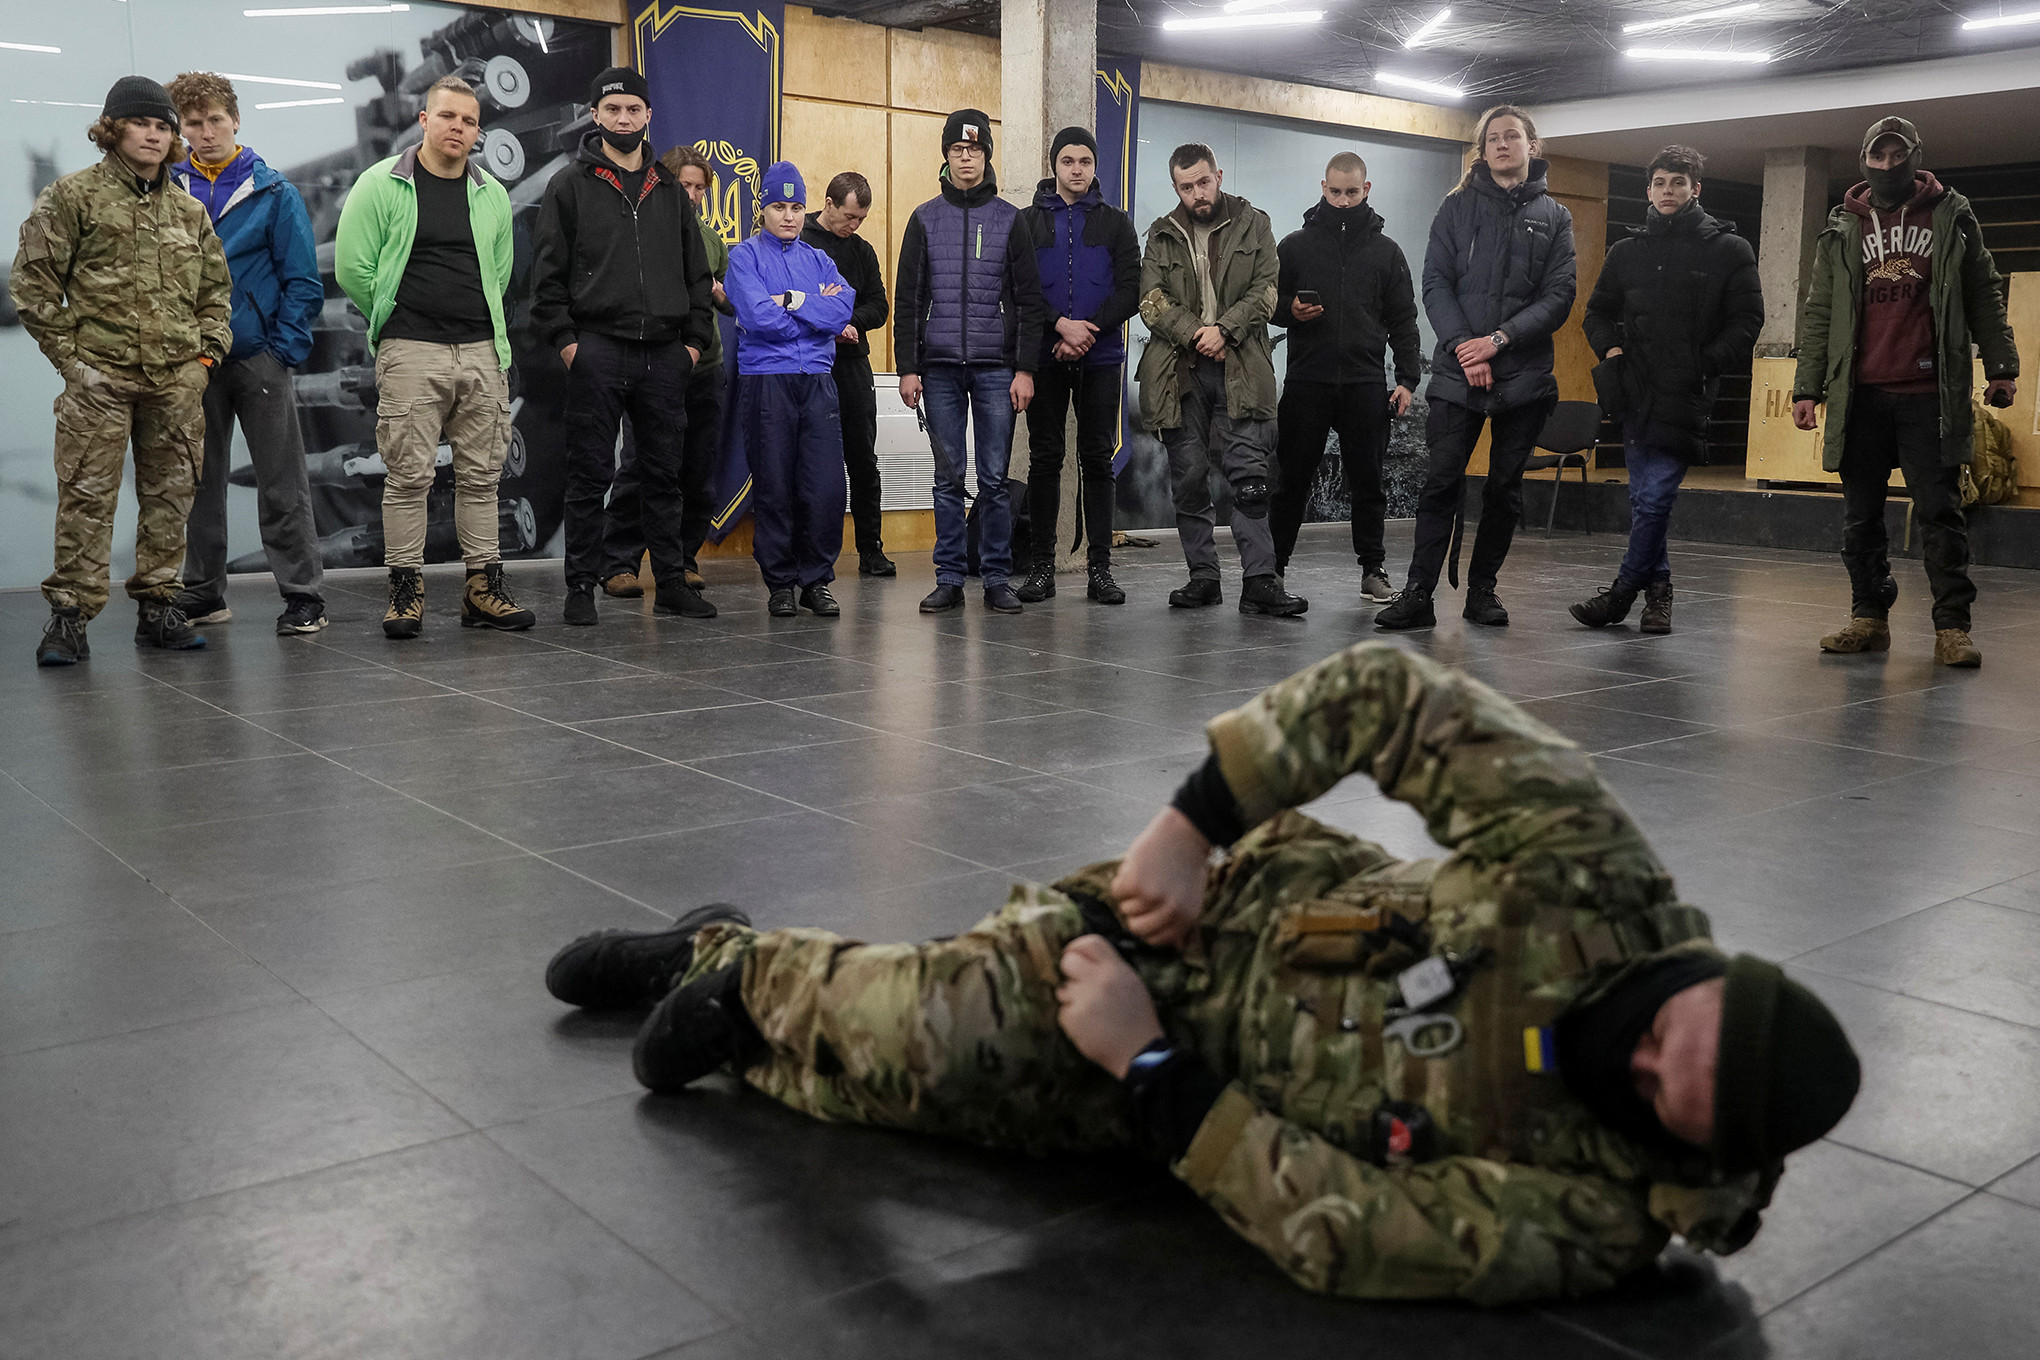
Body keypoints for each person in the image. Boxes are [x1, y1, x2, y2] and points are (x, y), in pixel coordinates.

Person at [544, 640, 1861, 1304]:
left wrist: (1152, 1068)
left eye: (1662, 1096)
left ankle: (728, 973)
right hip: (1212, 920)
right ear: (1710, 973)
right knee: (935, 1036)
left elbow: (1347, 1230)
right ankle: (734, 960)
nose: (1630, 1058)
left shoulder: (1607, 1217)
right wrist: (1189, 830)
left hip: (1177, 1101)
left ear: (1701, 1142)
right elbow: (1393, 695)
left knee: (909, 1092)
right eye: (1663, 1032)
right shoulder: (1593, 871)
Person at [14, 76, 231, 666]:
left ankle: (160, 608)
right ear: (113, 130)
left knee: (170, 499)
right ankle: (69, 618)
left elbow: (216, 295)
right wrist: (72, 363)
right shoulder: (72, 197)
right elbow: (31, 286)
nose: (156, 135)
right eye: (143, 124)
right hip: (99, 386)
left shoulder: (189, 211)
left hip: (174, 385)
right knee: (87, 500)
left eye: (164, 126)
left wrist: (204, 362)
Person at [1792, 116, 2020, 668]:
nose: (1889, 165)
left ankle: (1952, 629)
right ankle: (1868, 618)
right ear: (1865, 160)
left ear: (1914, 156)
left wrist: (2002, 365)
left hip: (1929, 394)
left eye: (1899, 156)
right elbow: (1821, 309)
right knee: (1860, 517)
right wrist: (1808, 385)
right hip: (1860, 395)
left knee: (1942, 514)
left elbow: (1984, 292)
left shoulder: (1952, 215)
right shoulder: (1844, 224)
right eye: (1879, 157)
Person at [334, 75, 533, 639]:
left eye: (469, 121)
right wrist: (396, 314)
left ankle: (483, 590)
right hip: (410, 349)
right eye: (447, 117)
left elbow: (498, 272)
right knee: (408, 477)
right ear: (424, 120)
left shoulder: (491, 194)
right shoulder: (381, 184)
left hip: (480, 352)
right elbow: (353, 268)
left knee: (482, 477)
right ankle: (405, 592)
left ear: (477, 132)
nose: (458, 128)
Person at [1376, 106, 1576, 632]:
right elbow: (1435, 284)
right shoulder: (1455, 209)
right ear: (1482, 151)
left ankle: (1482, 591)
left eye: (1513, 136)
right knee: (1441, 483)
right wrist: (1467, 346)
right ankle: (1418, 592)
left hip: (1523, 375)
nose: (1503, 145)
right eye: (1493, 138)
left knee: (1505, 489)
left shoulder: (1555, 218)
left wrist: (1498, 342)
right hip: (1457, 373)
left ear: (1532, 146)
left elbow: (1559, 296)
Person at [531, 67, 717, 627]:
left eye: (634, 110)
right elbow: (546, 281)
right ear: (595, 116)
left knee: (665, 475)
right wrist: (569, 345)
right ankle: (581, 588)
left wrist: (691, 344)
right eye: (613, 110)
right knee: (589, 475)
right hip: (598, 350)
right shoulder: (568, 186)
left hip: (665, 354)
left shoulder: (668, 190)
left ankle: (671, 584)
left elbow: (697, 276)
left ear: (648, 116)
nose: (624, 119)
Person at [163, 72, 329, 638]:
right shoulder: (165, 191)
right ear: (180, 130)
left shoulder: (272, 191)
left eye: (214, 120)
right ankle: (204, 593)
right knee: (198, 483)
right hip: (190, 364)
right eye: (193, 123)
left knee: (282, 481)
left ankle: (304, 595)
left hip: (258, 357)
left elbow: (303, 282)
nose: (205, 133)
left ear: (235, 120)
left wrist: (281, 351)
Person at [1573, 146, 1762, 637]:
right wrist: (1612, 352)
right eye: (1659, 183)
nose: (1667, 192)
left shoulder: (1728, 250)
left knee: (1655, 498)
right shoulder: (1626, 252)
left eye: (1678, 183)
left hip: (1688, 391)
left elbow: (1748, 320)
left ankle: (1621, 594)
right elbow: (1596, 313)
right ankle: (1659, 595)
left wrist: (1706, 363)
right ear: (1649, 189)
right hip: (1634, 390)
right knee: (1644, 500)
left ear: (1696, 189)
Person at [1137, 144, 1307, 617]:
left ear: (1219, 175)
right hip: (1179, 371)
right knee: (1188, 477)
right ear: (1176, 188)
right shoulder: (1161, 234)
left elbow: (1267, 290)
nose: (1198, 193)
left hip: (1242, 366)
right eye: (1186, 186)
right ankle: (1203, 577)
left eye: (1204, 182)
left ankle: (1259, 581)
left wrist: (1224, 330)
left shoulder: (1255, 223)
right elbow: (1149, 299)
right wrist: (1195, 334)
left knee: (1250, 478)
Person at [894, 110, 1046, 615]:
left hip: (996, 369)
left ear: (986, 157)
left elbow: (1029, 301)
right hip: (936, 368)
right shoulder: (923, 218)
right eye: (958, 151)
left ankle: (998, 578)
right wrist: (907, 367)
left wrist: (1025, 370)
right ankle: (949, 578)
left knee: (996, 480)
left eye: (975, 151)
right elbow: (909, 300)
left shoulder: (1010, 219)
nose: (966, 158)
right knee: (946, 479)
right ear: (946, 155)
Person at [1269, 151, 1421, 605]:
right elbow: (1265, 302)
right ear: (1323, 187)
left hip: (1364, 384)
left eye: (1351, 192)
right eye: (1334, 191)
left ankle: (1372, 571)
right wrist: (1289, 311)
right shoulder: (1294, 246)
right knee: (1291, 480)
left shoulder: (1387, 252)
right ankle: (1272, 571)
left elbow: (1404, 320)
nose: (1342, 200)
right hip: (1306, 382)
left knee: (1369, 482)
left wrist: (1408, 380)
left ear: (1366, 190)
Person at [602, 145, 736, 603]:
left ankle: (681, 561)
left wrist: (719, 295)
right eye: (686, 185)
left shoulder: (713, 240)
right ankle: (619, 563)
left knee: (697, 471)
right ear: (665, 183)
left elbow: (729, 301)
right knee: (642, 466)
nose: (694, 194)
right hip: (653, 366)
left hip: (706, 366)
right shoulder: (644, 228)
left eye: (700, 187)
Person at [1017, 126, 1140, 607]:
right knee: (1046, 460)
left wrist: (1085, 330)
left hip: (1101, 357)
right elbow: (1021, 290)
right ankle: (1042, 569)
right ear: (1054, 166)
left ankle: (1100, 571)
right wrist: (1059, 326)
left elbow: (1131, 288)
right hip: (1045, 358)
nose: (1077, 170)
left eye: (1085, 161)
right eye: (1067, 161)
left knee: (1096, 460)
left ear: (1094, 166)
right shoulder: (1027, 222)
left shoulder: (1116, 223)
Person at [725, 161, 854, 617]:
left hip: (817, 382)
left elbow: (843, 310)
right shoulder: (743, 257)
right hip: (766, 382)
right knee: (775, 484)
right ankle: (780, 582)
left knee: (824, 488)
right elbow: (758, 317)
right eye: (779, 206)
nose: (789, 216)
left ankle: (816, 580)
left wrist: (795, 302)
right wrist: (813, 316)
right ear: (763, 209)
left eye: (796, 206)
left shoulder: (820, 259)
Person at [801, 172, 893, 578]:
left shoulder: (862, 251)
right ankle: (809, 550)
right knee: (809, 460)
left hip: (852, 361)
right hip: (807, 360)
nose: (853, 226)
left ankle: (870, 548)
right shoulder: (798, 239)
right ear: (829, 203)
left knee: (862, 456)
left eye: (861, 219)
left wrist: (851, 321)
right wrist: (829, 322)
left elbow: (880, 304)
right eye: (849, 216)